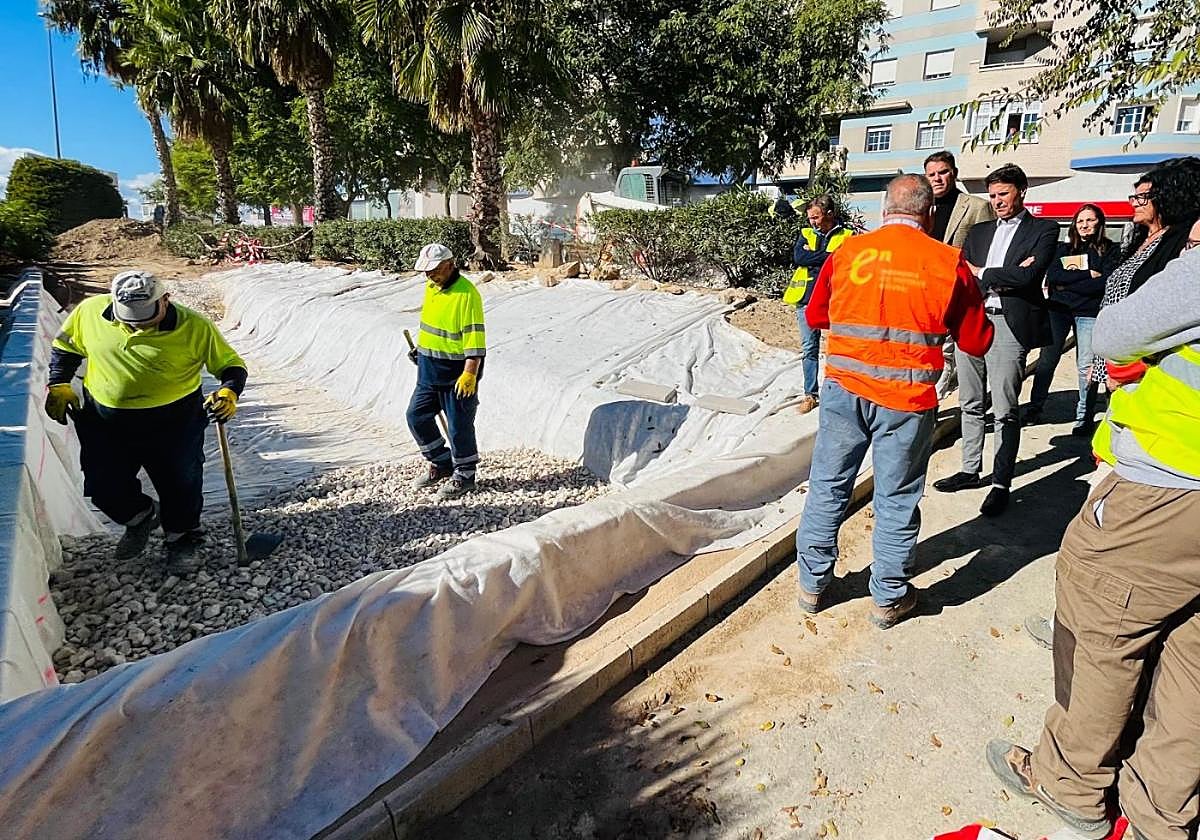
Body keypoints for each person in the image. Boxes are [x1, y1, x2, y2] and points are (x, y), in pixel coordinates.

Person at [987, 244, 1200, 840]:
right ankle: (1161, 814)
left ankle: (1070, 784)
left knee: (1101, 631)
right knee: (1193, 665)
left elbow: (1113, 333)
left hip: (1169, 490)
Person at [794, 174, 994, 629]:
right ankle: (887, 598)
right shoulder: (947, 262)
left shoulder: (847, 252)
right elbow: (978, 341)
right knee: (896, 499)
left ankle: (812, 586)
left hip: (845, 391)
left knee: (828, 486)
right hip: (905, 401)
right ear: (929, 213)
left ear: (885, 210)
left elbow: (816, 314)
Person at [44, 271, 247, 567]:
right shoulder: (89, 312)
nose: (135, 322)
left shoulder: (194, 327)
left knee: (181, 482)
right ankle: (140, 516)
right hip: (105, 420)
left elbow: (231, 365)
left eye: (144, 314)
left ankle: (183, 538)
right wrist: (59, 382)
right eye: (128, 315)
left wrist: (229, 392)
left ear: (166, 300)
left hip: (174, 420)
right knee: (103, 486)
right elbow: (66, 348)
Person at [933, 163, 1058, 517]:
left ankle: (1001, 482)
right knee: (970, 400)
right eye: (992, 195)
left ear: (1022, 191)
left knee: (1004, 409)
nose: (997, 201)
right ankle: (970, 470)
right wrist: (1004, 276)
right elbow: (966, 277)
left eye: (1003, 194)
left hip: (1009, 325)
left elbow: (1030, 276)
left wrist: (985, 274)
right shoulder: (979, 231)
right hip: (972, 321)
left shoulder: (1044, 229)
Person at [1088, 157, 1200, 393]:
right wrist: (1100, 363)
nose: (1134, 203)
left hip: (1139, 365)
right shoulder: (1137, 239)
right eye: (1133, 197)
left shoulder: (1179, 241)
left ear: (1166, 198)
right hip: (1115, 351)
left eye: (1142, 198)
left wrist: (1127, 369)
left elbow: (1165, 315)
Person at [1026, 204, 1120, 434]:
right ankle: (1034, 408)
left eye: (1090, 220)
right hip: (1058, 309)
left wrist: (1069, 282)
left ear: (1099, 223)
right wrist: (1087, 275)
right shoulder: (1064, 249)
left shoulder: (1110, 250)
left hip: (1089, 312)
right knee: (1047, 361)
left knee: (1085, 366)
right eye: (1080, 221)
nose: (1085, 225)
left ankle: (1083, 417)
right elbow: (1054, 274)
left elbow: (1105, 283)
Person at [407, 242, 486, 500]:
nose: (430, 275)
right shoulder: (431, 289)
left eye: (434, 270)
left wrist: (470, 373)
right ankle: (441, 461)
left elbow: (474, 340)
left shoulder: (467, 295)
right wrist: (421, 351)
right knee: (416, 416)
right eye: (426, 271)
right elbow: (434, 328)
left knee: (459, 427)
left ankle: (464, 474)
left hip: (457, 375)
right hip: (429, 372)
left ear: (450, 265)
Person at [924, 151, 996, 398]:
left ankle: (936, 400)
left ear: (953, 173)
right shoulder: (921, 207)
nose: (937, 179)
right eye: (931, 174)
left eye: (942, 172)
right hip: (925, 291)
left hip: (958, 289)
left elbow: (986, 251)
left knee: (948, 352)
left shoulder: (976, 206)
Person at [782, 195, 853, 414]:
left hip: (836, 300)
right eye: (810, 218)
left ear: (830, 214)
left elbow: (843, 260)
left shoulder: (847, 236)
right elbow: (800, 258)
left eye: (816, 217)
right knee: (809, 349)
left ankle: (839, 392)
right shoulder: (805, 233)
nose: (812, 222)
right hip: (806, 299)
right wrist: (827, 256)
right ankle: (810, 394)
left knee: (839, 349)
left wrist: (821, 256)